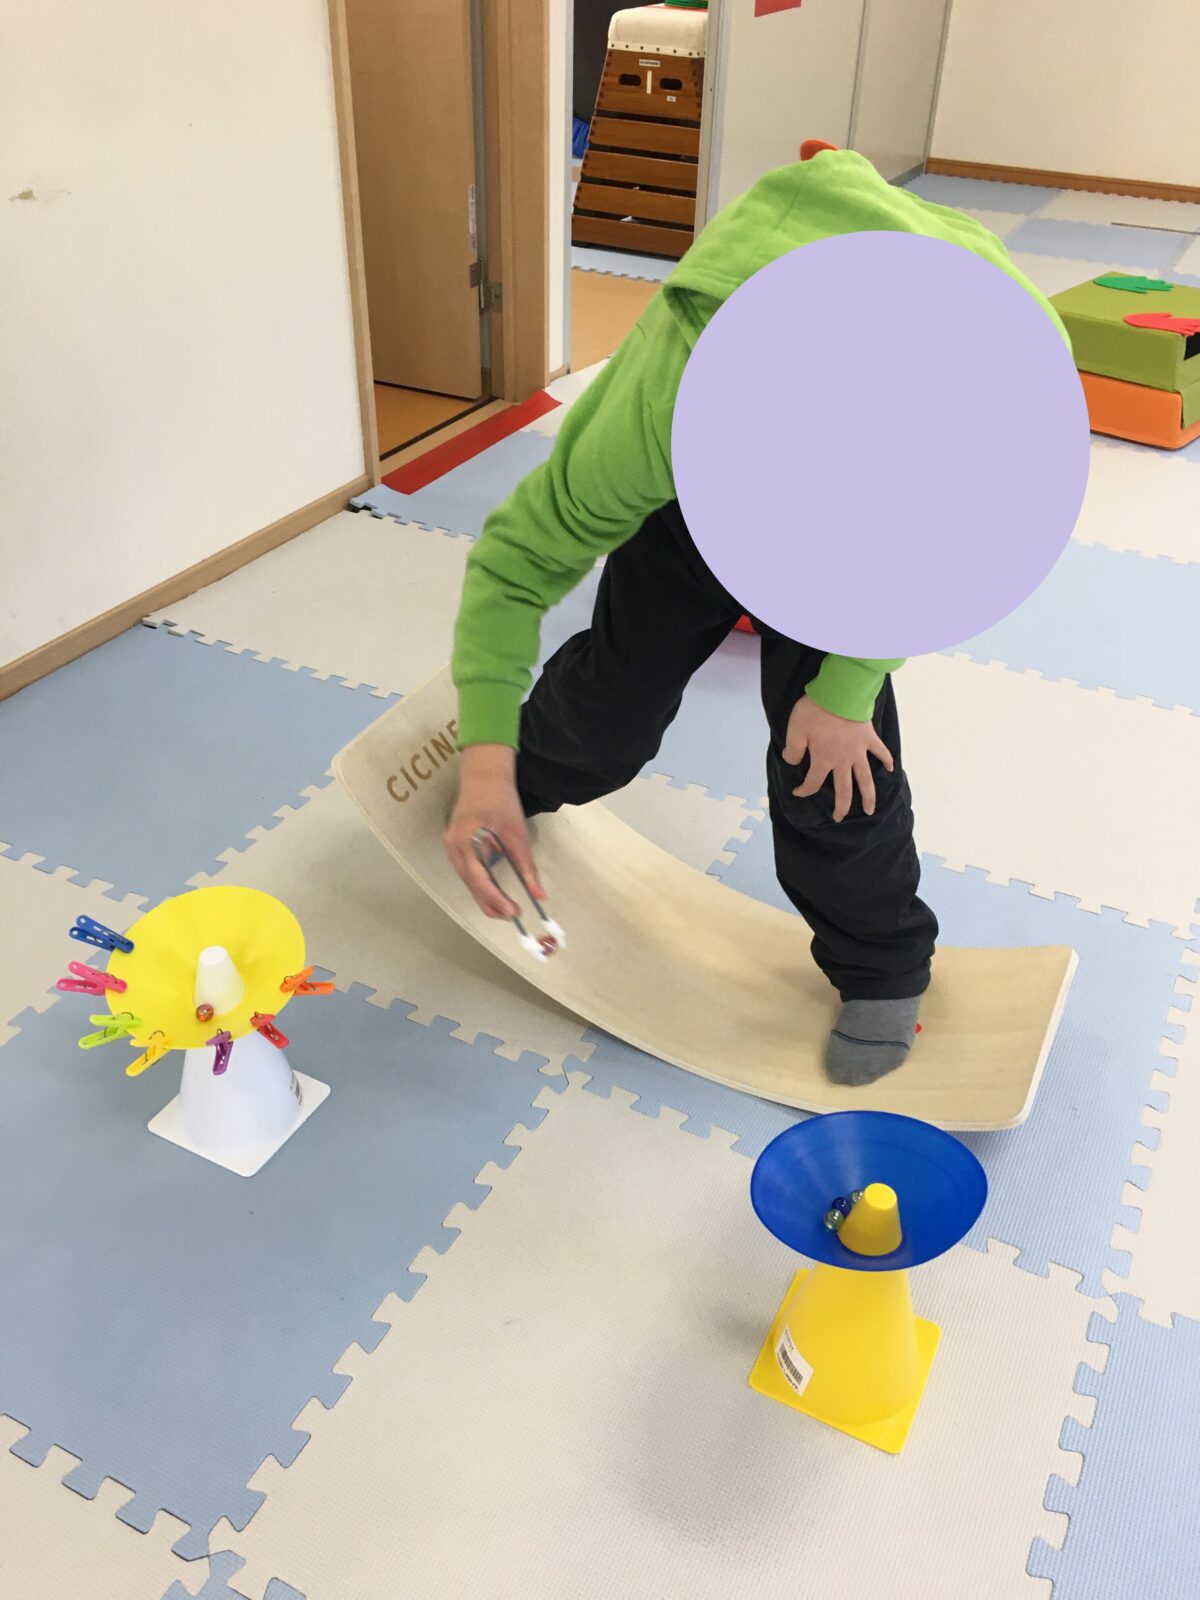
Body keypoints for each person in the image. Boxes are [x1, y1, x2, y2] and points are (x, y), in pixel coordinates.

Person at [443, 144, 1067, 1086]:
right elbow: (515, 563)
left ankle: (881, 962)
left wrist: (848, 687)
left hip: (871, 528)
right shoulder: (658, 419)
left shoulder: (986, 394)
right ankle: (531, 772)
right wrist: (488, 763)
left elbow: (951, 554)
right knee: (613, 701)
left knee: (833, 764)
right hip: (703, 483)